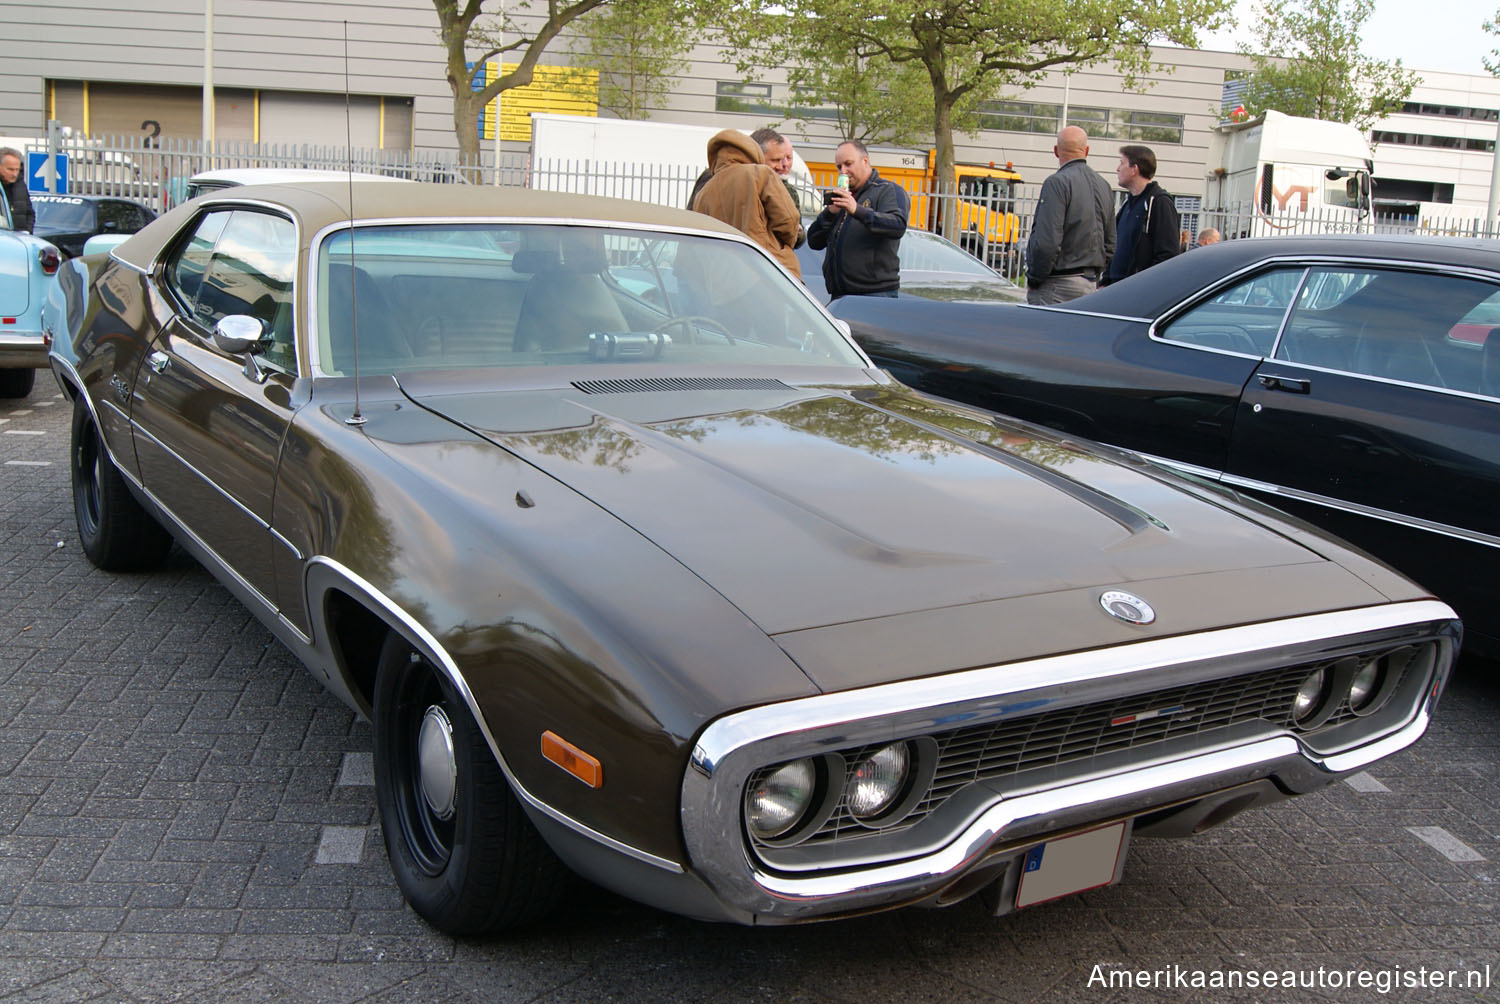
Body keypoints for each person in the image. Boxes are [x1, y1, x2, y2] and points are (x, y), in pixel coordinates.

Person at [692, 128, 802, 279]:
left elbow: (699, 241)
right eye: (776, 160)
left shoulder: (704, 193)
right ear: (752, 151)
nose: (782, 164)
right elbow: (788, 220)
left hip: (723, 280)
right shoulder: (761, 174)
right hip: (767, 269)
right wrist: (786, 241)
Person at [1023, 126, 1115, 305]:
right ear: (1086, 150)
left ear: (1056, 151)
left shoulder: (1056, 183)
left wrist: (1035, 277)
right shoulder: (1104, 186)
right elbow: (1110, 243)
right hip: (1090, 284)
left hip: (1056, 285)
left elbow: (1047, 242)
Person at [806, 139, 908, 298]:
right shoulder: (843, 197)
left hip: (875, 293)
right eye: (839, 167)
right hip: (840, 293)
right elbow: (813, 241)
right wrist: (830, 213)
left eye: (848, 164)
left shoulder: (887, 191)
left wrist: (857, 210)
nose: (843, 171)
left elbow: (897, 226)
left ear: (865, 161)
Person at [1102, 145, 1179, 286]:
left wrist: (1143, 285)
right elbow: (1116, 246)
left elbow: (1167, 254)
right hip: (1114, 289)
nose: (1117, 169)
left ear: (1134, 169)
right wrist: (1105, 280)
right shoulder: (1127, 205)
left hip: (1137, 291)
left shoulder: (1159, 202)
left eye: (1122, 163)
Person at [750, 127, 805, 248]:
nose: (783, 165)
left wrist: (798, 232)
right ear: (757, 156)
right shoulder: (742, 184)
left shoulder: (788, 191)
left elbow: (797, 240)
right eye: (776, 160)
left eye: (788, 158)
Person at [0, 147, 34, 233]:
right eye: (10, 169)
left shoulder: (21, 186)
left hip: (19, 239)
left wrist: (27, 232)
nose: (14, 174)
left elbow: (30, 213)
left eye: (17, 170)